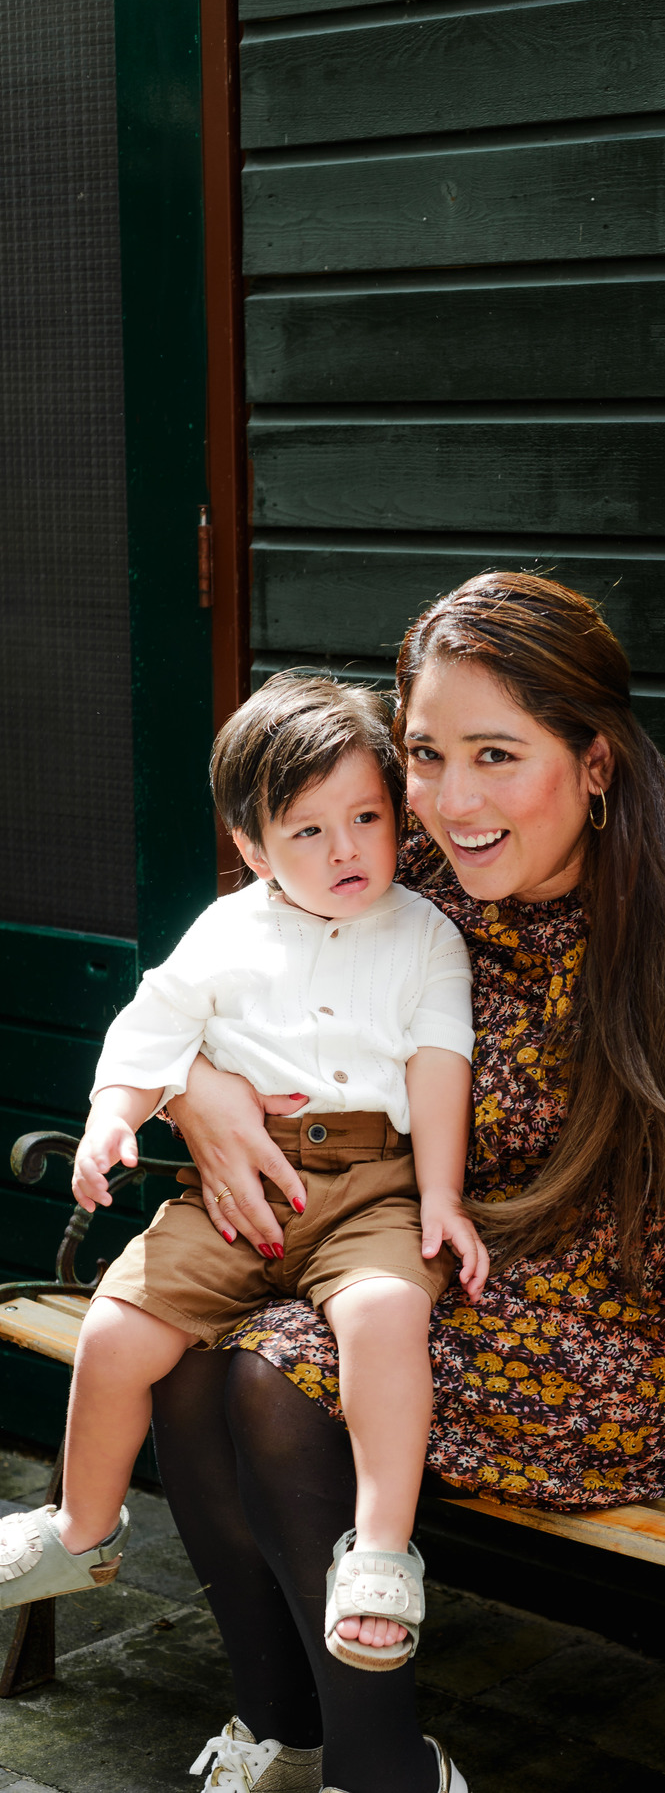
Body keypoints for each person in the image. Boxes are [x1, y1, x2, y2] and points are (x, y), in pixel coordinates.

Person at [149, 574, 665, 1793]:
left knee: (276, 1376)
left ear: (595, 762)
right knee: (186, 1359)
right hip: (465, 1288)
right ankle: (286, 1739)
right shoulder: (407, 895)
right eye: (428, 755)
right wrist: (195, 1083)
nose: (452, 800)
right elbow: (223, 988)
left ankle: (383, 1773)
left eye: (499, 755)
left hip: (660, 1343)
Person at [0, 675, 487, 1683]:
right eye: (306, 832)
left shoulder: (427, 935)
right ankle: (82, 1529)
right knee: (118, 1328)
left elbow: (442, 1065)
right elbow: (154, 1027)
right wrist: (109, 1120)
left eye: (365, 818)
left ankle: (383, 1553)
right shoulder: (229, 930)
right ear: (255, 848)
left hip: (373, 1187)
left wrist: (439, 1192)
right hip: (241, 1196)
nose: (346, 849)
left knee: (388, 1313)